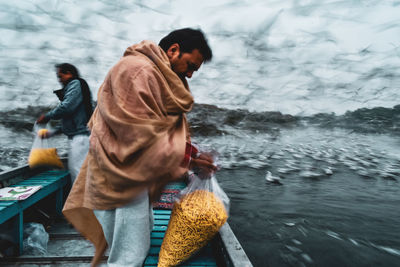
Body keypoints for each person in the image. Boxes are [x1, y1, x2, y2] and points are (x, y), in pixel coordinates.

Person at [62, 28, 217, 267]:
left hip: (135, 174)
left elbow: (159, 127)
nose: (190, 74)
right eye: (190, 66)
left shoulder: (158, 76)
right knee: (127, 256)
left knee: (135, 244)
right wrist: (190, 160)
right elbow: (136, 132)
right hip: (120, 176)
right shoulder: (136, 71)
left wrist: (192, 154)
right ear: (173, 50)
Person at [36, 63, 94, 184]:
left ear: (69, 73)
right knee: (80, 173)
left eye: (60, 76)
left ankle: (82, 202)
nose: (59, 80)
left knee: (78, 175)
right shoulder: (78, 86)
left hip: (81, 139)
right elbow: (70, 118)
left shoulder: (75, 84)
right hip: (81, 138)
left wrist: (47, 116)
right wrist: (52, 133)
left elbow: (67, 107)